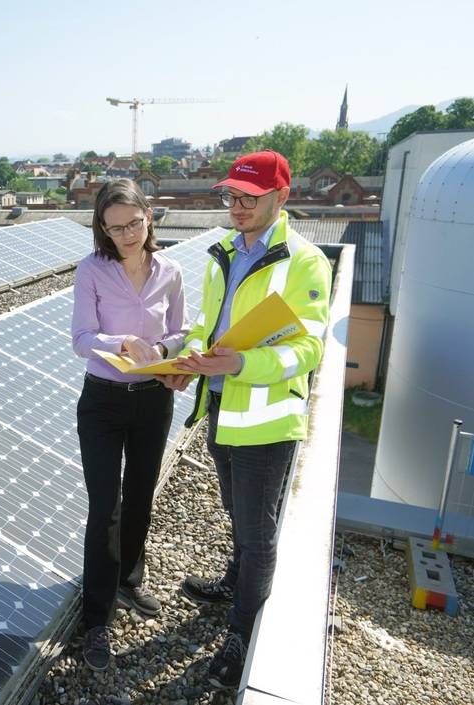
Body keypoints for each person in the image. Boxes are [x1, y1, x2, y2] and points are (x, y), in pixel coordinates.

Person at [161, 150, 332, 690]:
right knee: (236, 511)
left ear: (281, 197)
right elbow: (207, 326)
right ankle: (234, 583)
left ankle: (241, 634)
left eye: (249, 198)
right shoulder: (224, 254)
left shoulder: (304, 261)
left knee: (258, 533)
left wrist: (240, 365)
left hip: (267, 423)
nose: (237, 207)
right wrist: (189, 360)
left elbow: (308, 349)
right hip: (221, 409)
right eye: (231, 196)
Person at [71, 178, 188, 671]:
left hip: (153, 399)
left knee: (141, 494)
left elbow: (182, 330)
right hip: (103, 402)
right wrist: (121, 343)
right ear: (102, 228)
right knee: (106, 506)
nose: (126, 235)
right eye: (114, 227)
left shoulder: (171, 271)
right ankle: (96, 620)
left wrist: (161, 349)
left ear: (149, 217)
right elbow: (81, 339)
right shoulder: (91, 271)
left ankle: (128, 581)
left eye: (134, 224)